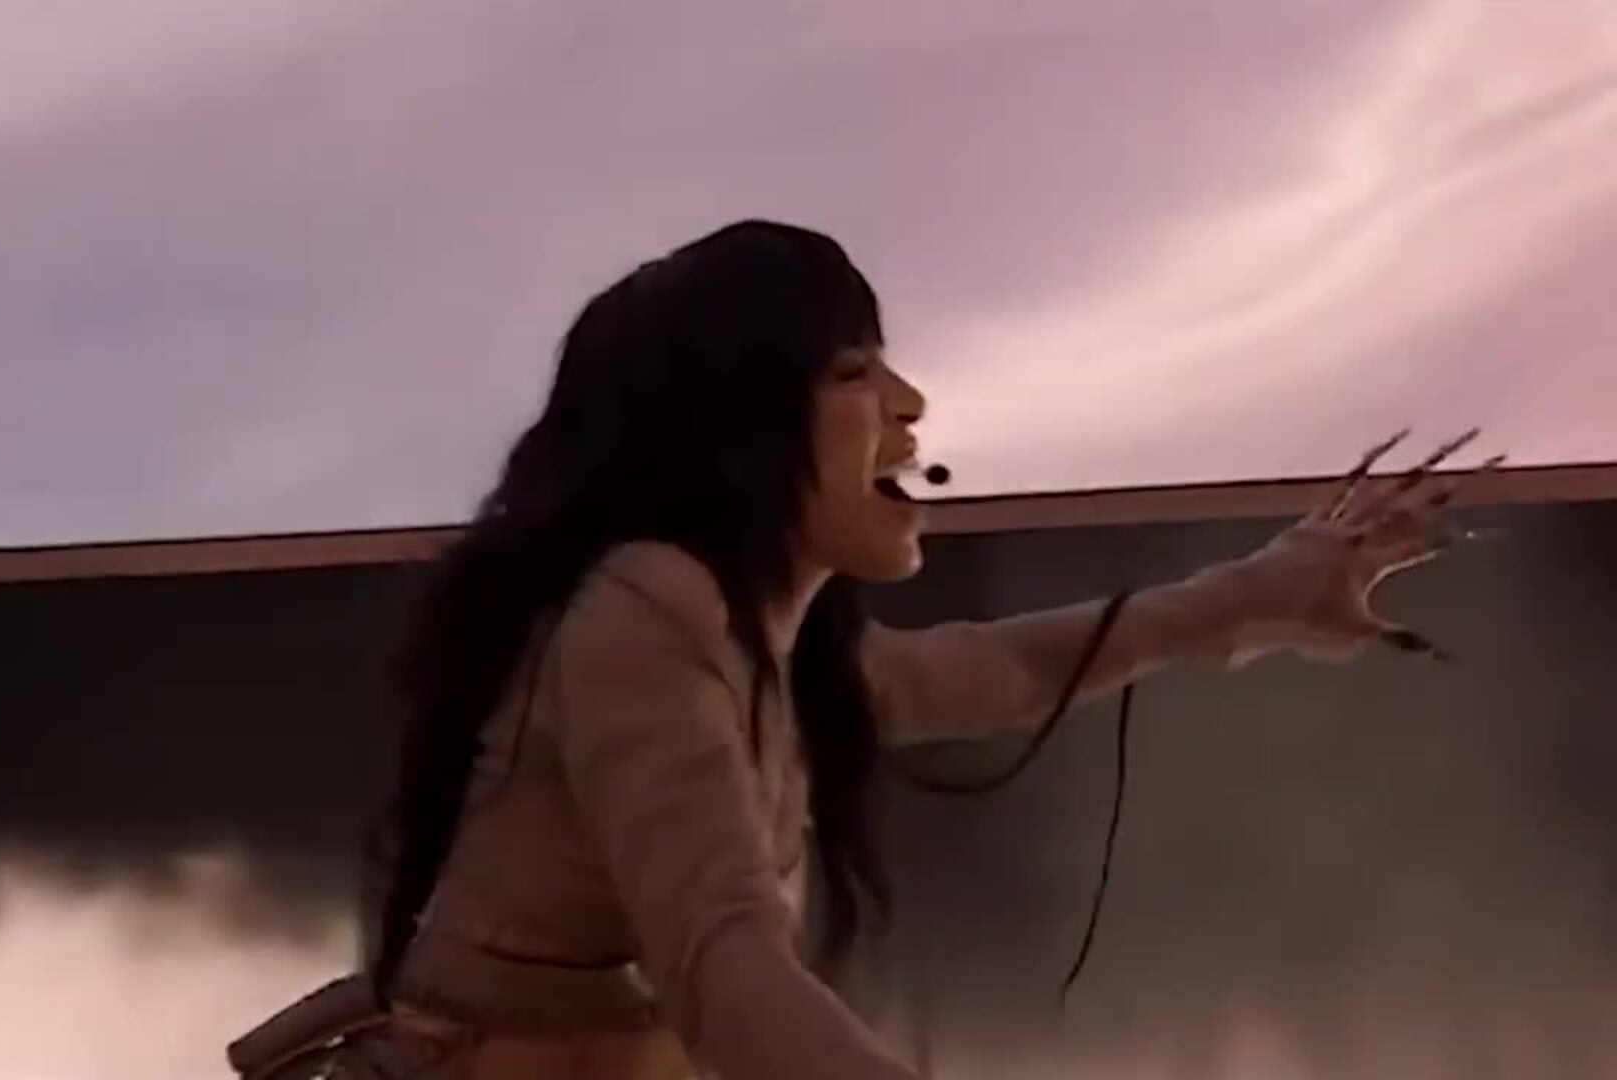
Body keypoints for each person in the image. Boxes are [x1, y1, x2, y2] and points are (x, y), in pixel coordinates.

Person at [226, 220, 1491, 1080]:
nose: (910, 406)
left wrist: (1264, 589)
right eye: (853, 371)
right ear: (739, 426)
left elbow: (999, 672)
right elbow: (721, 960)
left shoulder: (763, 646)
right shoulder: (643, 606)